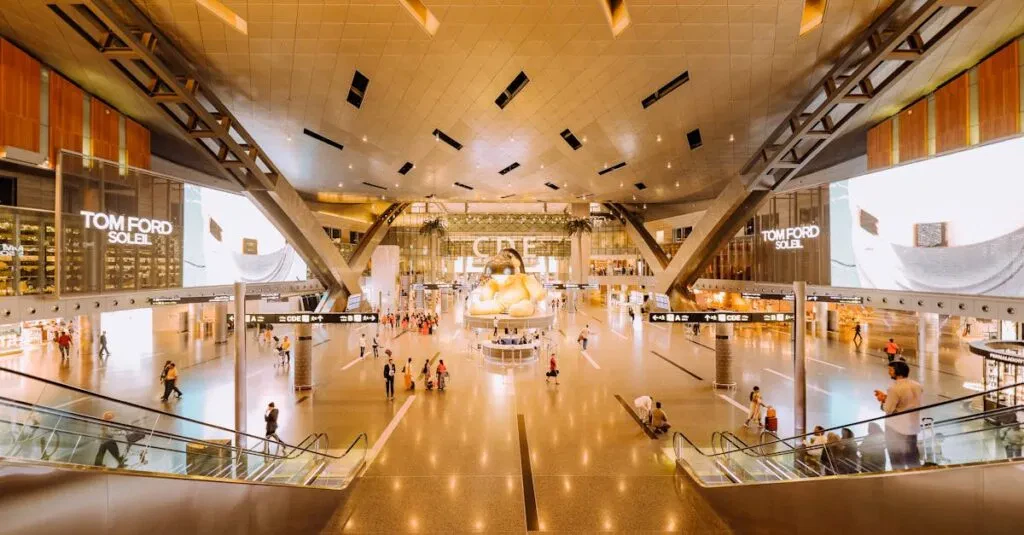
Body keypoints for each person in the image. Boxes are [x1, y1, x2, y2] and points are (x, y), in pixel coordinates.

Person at [874, 360, 923, 470]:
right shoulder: (917, 385)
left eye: (891, 370)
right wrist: (888, 398)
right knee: (912, 456)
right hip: (912, 426)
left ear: (898, 371)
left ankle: (899, 479)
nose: (889, 372)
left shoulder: (894, 388)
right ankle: (917, 476)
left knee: (896, 457)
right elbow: (906, 403)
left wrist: (883, 401)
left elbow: (888, 409)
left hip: (896, 429)